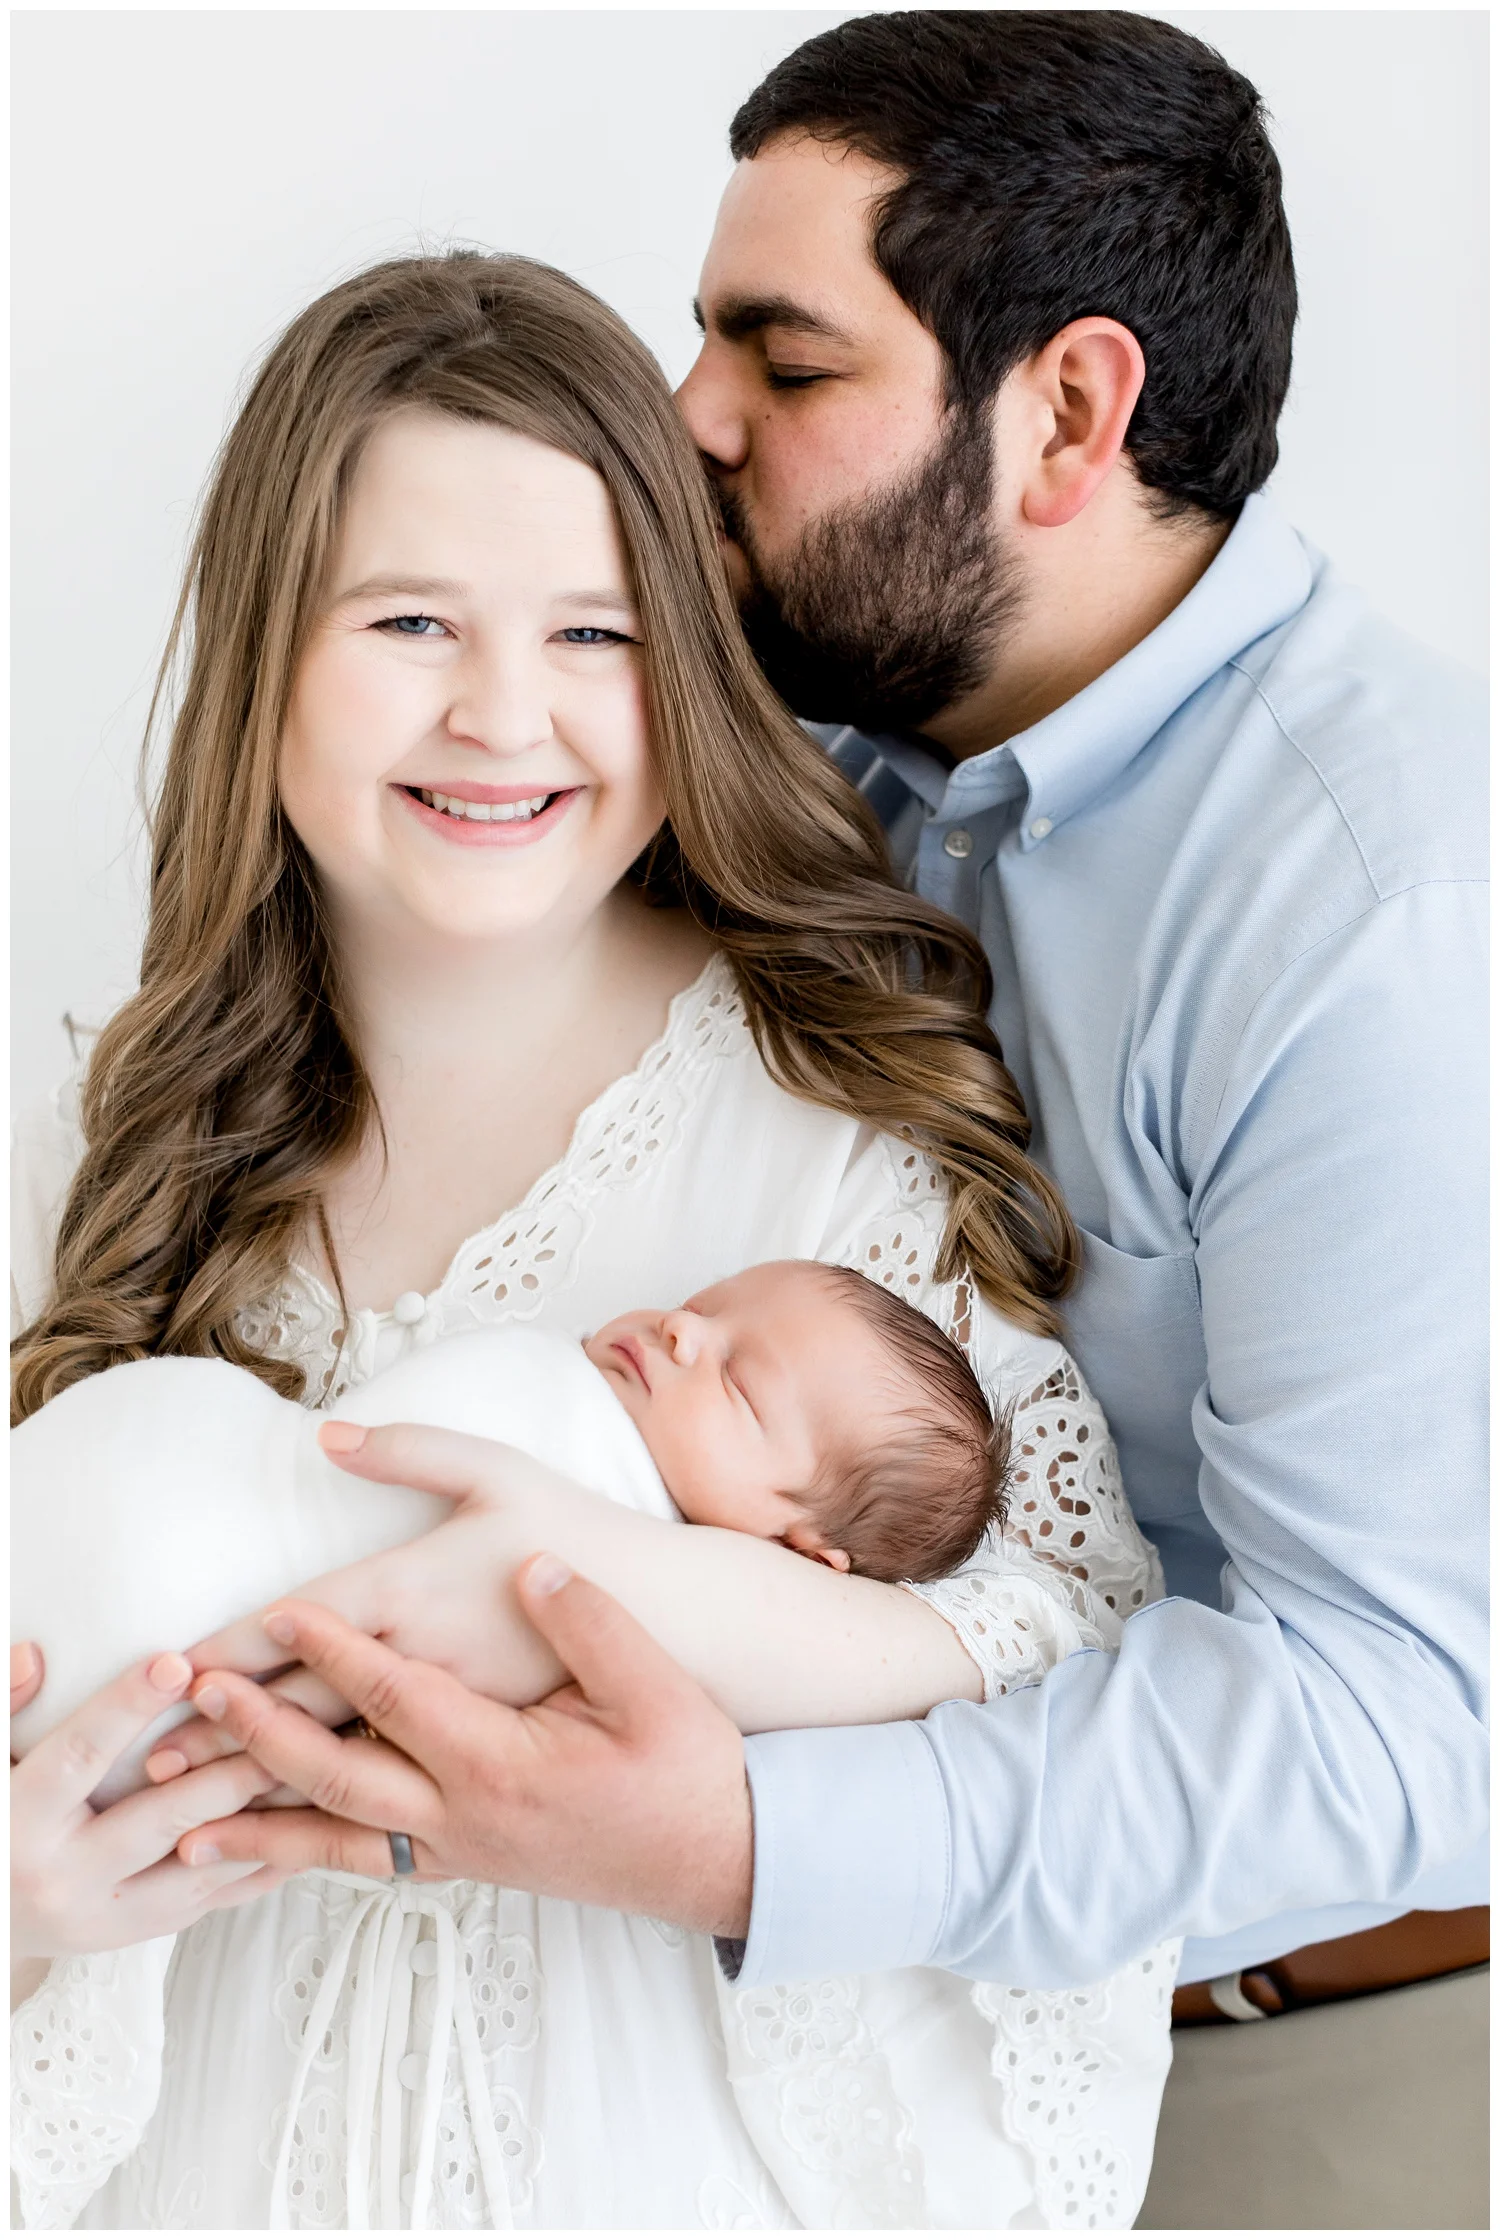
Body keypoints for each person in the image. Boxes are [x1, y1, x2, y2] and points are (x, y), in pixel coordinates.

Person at [132, 12, 1485, 2229]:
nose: (692, 417)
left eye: (785, 356)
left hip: (1319, 2025)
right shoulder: (824, 755)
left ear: (1070, 413)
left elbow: (1415, 1725)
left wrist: (741, 1842)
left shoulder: (1380, 909)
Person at [10, 251, 1170, 2229]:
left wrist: (607, 1584)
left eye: (592, 631)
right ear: (267, 642)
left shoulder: (830, 1148)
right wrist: (22, 1909)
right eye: (409, 620)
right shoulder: (99, 1156)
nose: (502, 713)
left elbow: (1056, 1679)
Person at [15, 1261, 1016, 1801]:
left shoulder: (650, 1607)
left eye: (739, 1382)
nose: (682, 1330)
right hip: (143, 1467)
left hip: (162, 1644)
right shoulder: (585, 1389)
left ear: (799, 1551)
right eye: (701, 1305)